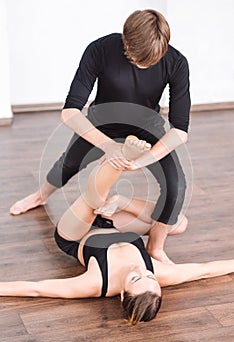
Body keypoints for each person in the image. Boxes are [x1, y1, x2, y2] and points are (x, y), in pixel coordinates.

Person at [10, 9, 191, 263]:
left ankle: (156, 248)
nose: (143, 66)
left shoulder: (177, 63)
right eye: (138, 60)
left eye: (149, 63)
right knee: (68, 163)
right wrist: (109, 147)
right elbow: (70, 112)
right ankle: (41, 195)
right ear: (125, 41)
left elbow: (179, 130)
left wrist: (141, 160)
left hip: (146, 126)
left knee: (177, 185)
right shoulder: (101, 49)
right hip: (102, 122)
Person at [3, 138, 234, 325]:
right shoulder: (162, 274)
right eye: (149, 276)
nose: (140, 270)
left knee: (94, 199)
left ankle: (123, 156)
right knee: (178, 223)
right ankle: (121, 198)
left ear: (122, 294)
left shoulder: (96, 284)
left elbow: (37, 289)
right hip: (112, 222)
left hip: (76, 235)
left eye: (135, 278)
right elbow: (205, 270)